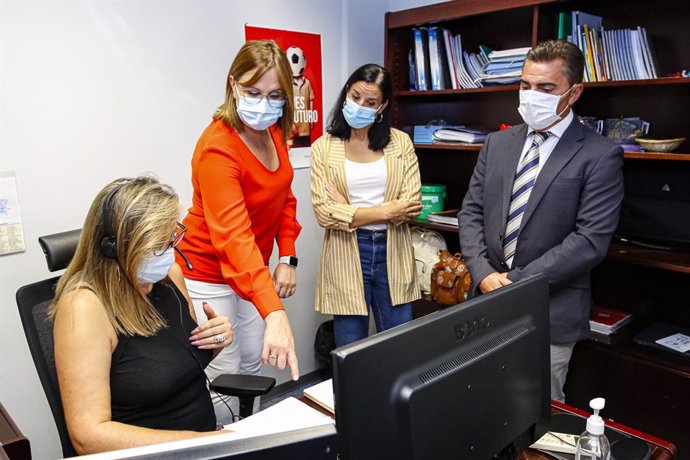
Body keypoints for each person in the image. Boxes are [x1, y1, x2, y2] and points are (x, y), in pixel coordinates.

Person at [458, 40, 625, 402]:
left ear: (574, 91)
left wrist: (513, 283)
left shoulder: (600, 154)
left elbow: (590, 241)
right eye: (525, 85)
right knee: (478, 405)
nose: (532, 96)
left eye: (546, 88)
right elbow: (470, 212)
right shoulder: (497, 144)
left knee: (536, 417)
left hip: (549, 311)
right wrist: (484, 274)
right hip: (484, 302)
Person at [50, 176, 233, 454]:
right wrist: (199, 442)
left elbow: (176, 364)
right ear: (114, 248)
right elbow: (87, 436)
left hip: (203, 445)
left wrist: (216, 340)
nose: (168, 252)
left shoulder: (170, 276)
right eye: (156, 245)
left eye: (170, 239)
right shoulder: (84, 307)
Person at [176, 40, 301, 424]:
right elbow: (233, 238)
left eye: (275, 95)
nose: (263, 104)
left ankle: (248, 443)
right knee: (222, 375)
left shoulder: (273, 133)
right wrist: (275, 312)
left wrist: (288, 256)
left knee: (253, 366)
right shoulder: (218, 148)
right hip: (208, 274)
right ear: (233, 85)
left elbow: (284, 197)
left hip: (250, 274)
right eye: (252, 92)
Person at [310, 63, 423, 347]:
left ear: (382, 105)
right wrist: (386, 211)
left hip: (392, 250)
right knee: (350, 349)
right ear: (347, 92)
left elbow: (411, 204)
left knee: (399, 346)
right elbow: (324, 212)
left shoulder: (401, 143)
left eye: (370, 102)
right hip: (347, 251)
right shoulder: (324, 147)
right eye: (356, 96)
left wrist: (348, 209)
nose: (360, 105)